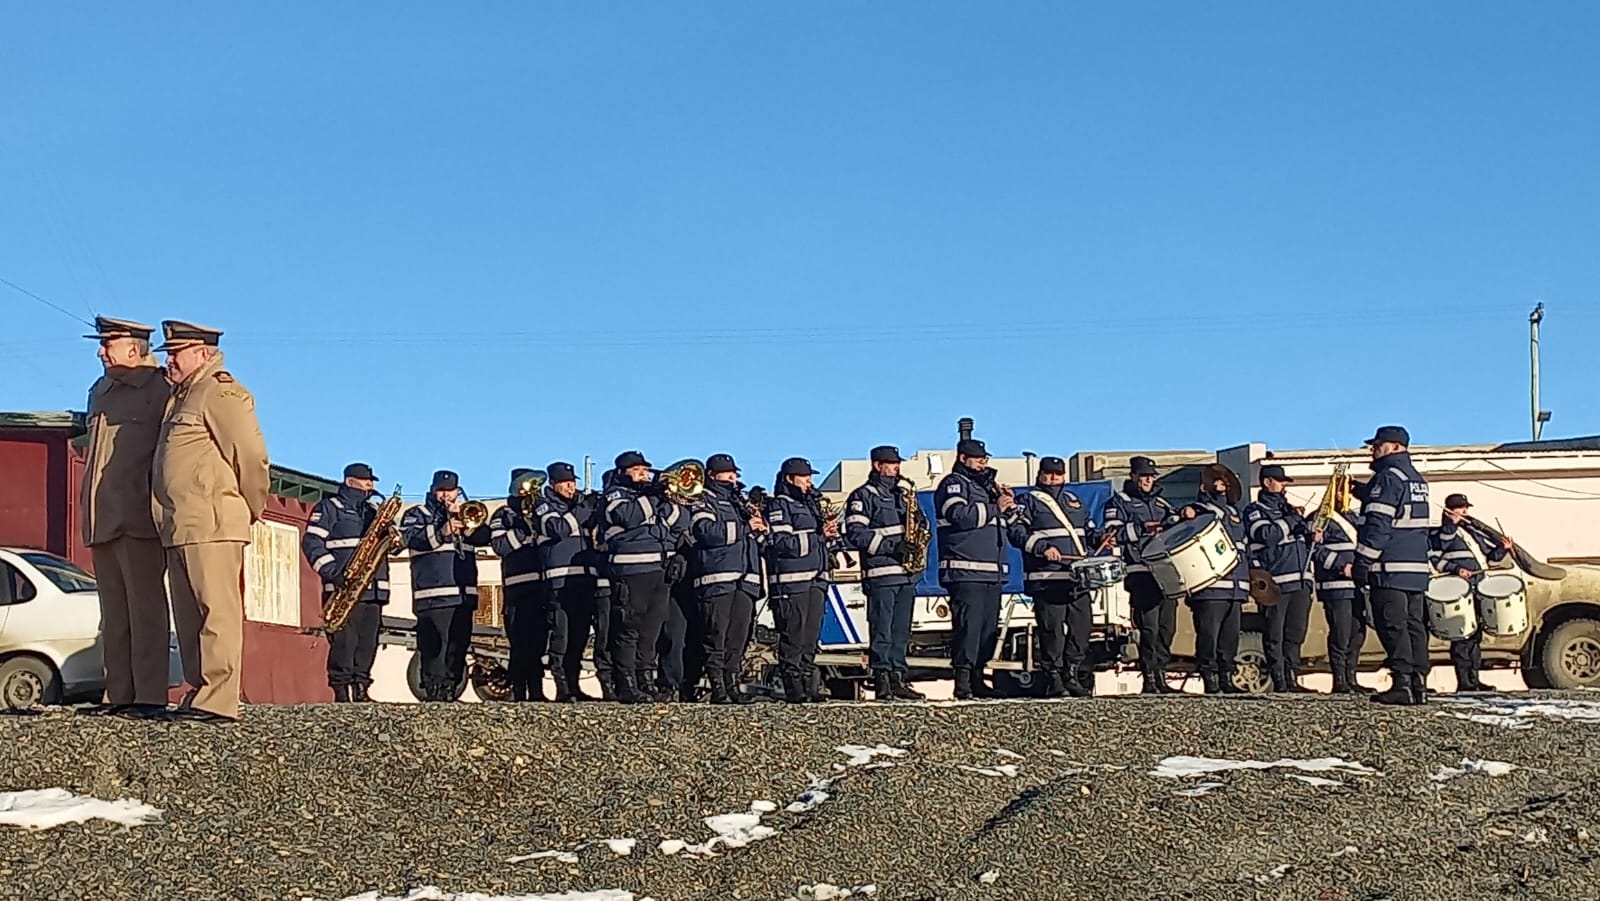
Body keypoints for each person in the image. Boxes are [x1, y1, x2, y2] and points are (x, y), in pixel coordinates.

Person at [150, 319, 270, 723]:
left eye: (176, 352)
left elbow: (250, 455)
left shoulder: (220, 391)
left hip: (213, 519)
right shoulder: (181, 396)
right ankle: (201, 690)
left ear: (202, 353)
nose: (169, 359)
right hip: (180, 522)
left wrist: (250, 506)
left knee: (216, 610)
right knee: (188, 615)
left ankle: (219, 698)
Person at [78, 316, 173, 719]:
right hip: (102, 516)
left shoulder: (159, 389)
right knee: (114, 614)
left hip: (138, 515)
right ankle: (118, 693)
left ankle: (150, 694)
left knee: (146, 609)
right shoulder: (99, 390)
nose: (101, 351)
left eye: (109, 343)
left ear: (134, 349)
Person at [934, 437, 1019, 700]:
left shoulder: (987, 488)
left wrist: (1008, 505)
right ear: (963, 458)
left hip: (992, 571)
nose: (983, 462)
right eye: (978, 458)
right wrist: (995, 508)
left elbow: (1007, 522)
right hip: (965, 571)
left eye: (985, 458)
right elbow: (959, 516)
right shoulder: (953, 484)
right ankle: (963, 682)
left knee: (987, 630)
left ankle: (978, 677)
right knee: (968, 628)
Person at [1354, 425, 1433, 706]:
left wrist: (1363, 560)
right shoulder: (1415, 478)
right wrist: (1364, 493)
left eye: (1378, 445)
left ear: (1395, 447)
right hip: (1415, 570)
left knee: (1393, 626)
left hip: (1390, 568)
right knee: (1414, 627)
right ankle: (1418, 684)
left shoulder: (1387, 477)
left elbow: (1379, 525)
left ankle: (1401, 683)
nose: (1373, 450)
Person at [1007, 455, 1095, 698]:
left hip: (1077, 578)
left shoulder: (1075, 502)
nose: (1053, 478)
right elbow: (1016, 532)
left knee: (1081, 628)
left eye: (1057, 474)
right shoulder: (1028, 501)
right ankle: (1053, 677)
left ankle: (1072, 673)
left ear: (1064, 476)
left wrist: (1103, 537)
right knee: (1052, 631)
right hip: (1046, 578)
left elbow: (1087, 532)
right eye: (1048, 473)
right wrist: (1042, 547)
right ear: (1040, 475)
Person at [399, 470, 491, 701]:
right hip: (432, 595)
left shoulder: (464, 513)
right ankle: (433, 689)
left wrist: (467, 526)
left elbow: (485, 536)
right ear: (432, 490)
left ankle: (450, 688)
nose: (445, 495)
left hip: (463, 594)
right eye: (441, 491)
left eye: (450, 491)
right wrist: (442, 530)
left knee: (458, 645)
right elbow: (412, 539)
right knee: (434, 645)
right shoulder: (417, 514)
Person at [302, 463, 391, 702]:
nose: (371, 485)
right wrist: (332, 571)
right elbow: (311, 542)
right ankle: (341, 690)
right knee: (345, 640)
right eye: (366, 481)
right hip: (344, 586)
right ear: (350, 482)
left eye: (371, 481)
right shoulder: (330, 507)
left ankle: (361, 686)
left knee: (367, 640)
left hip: (373, 587)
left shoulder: (373, 511)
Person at [602, 450, 684, 703]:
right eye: (637, 470)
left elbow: (679, 523)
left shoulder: (654, 497)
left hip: (658, 570)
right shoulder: (616, 495)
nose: (644, 473)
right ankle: (626, 683)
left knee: (651, 631)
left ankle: (645, 681)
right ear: (623, 472)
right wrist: (651, 496)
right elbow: (628, 517)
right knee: (629, 629)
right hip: (630, 570)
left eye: (645, 469)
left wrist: (673, 498)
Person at [843, 446, 924, 701]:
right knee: (882, 630)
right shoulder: (863, 495)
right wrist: (893, 546)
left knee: (901, 631)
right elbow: (856, 533)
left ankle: (899, 677)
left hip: (906, 574)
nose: (896, 468)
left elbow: (918, 525)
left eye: (897, 463)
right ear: (877, 465)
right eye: (891, 464)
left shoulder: (903, 495)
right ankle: (882, 680)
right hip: (882, 574)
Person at [690, 454, 765, 705]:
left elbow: (755, 542)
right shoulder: (702, 499)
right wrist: (745, 527)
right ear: (712, 475)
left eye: (734, 472)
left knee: (738, 636)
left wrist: (760, 529)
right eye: (727, 473)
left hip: (746, 579)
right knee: (716, 635)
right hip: (717, 578)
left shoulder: (739, 502)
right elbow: (706, 532)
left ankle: (732, 684)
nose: (733, 477)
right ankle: (717, 686)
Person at [1101, 456, 1180, 695]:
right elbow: (1111, 534)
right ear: (1133, 476)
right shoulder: (1119, 502)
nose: (1148, 480)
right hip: (1140, 571)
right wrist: (1142, 529)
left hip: (1166, 573)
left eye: (1151, 476)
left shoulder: (1162, 504)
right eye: (1144, 476)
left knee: (1167, 628)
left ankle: (1161, 675)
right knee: (1149, 628)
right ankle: (1149, 678)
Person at [763, 457, 835, 704]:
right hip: (791, 583)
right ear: (789, 479)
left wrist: (830, 538)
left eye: (810, 477)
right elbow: (783, 543)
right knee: (793, 635)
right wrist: (817, 536)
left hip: (816, 580)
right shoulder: (779, 506)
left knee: (810, 637)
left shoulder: (810, 505)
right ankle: (793, 687)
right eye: (804, 477)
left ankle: (808, 684)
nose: (809, 482)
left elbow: (817, 542)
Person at [533, 462, 603, 702]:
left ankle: (574, 685)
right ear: (553, 485)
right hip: (559, 581)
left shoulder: (577, 505)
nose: (571, 487)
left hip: (584, 579)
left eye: (573, 483)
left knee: (579, 635)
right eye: (566, 483)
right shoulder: (543, 506)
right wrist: (584, 509)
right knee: (561, 635)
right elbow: (558, 528)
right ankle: (562, 687)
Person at [1430, 493, 1514, 693]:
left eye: (1466, 507)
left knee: (1475, 636)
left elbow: (1490, 558)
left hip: (1478, 586)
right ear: (1450, 510)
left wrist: (1503, 549)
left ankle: (1475, 678)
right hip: (1459, 591)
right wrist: (1456, 569)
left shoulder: (1471, 532)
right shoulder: (1439, 533)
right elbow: (1436, 558)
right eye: (1461, 508)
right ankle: (1464, 681)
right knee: (1461, 636)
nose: (1465, 511)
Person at [1178, 465, 1250, 695]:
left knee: (1230, 637)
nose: (1222, 486)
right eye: (1218, 482)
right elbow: (1185, 518)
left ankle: (1226, 677)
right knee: (1209, 635)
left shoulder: (1235, 513)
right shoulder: (1201, 508)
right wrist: (1190, 509)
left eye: (1225, 483)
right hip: (1211, 587)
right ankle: (1209, 678)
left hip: (1236, 587)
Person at [1244, 464, 1316, 693]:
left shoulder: (1289, 511)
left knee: (1295, 633)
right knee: (1275, 634)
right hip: (1275, 585)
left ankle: (1292, 678)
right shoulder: (1256, 510)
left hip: (1301, 582)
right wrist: (1292, 520)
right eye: (1280, 481)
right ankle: (1279, 681)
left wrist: (1310, 531)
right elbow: (1267, 535)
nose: (1284, 486)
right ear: (1267, 482)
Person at [489, 468, 548, 701]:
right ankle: (519, 692)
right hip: (517, 587)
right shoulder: (503, 514)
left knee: (539, 642)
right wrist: (521, 533)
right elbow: (499, 546)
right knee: (521, 643)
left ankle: (537, 690)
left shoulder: (539, 511)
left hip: (542, 586)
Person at [1313, 507, 1372, 694]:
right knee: (1341, 632)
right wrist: (1339, 565)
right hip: (1335, 585)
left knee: (1357, 633)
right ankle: (1339, 680)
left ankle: (1351, 677)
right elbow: (1314, 547)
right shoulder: (1322, 517)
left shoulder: (1353, 518)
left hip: (1357, 585)